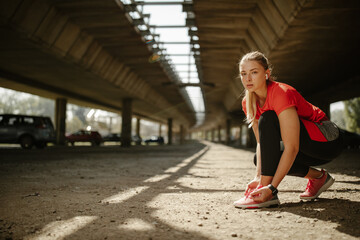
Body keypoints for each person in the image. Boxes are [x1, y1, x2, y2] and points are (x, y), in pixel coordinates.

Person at [233, 51, 343, 209]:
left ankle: (266, 195)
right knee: (261, 159)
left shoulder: (281, 93)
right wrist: (258, 177)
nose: (248, 79)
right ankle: (319, 177)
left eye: (254, 72)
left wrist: (270, 187)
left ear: (266, 74)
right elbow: (261, 144)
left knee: (268, 117)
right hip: (306, 148)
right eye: (243, 74)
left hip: (328, 140)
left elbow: (292, 147)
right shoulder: (248, 102)